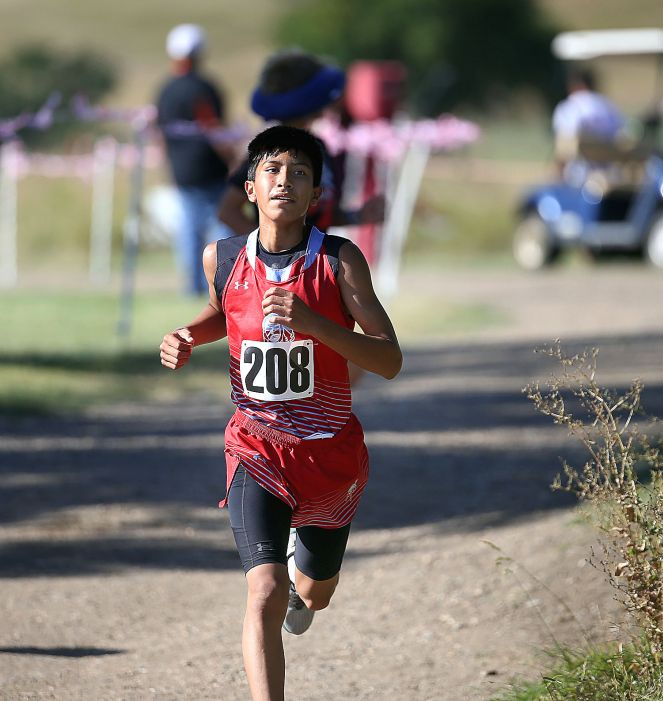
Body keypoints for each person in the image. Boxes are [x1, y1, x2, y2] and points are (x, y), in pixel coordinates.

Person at [159, 125, 402, 700]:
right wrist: (188, 335)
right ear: (250, 187)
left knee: (312, 594)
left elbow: (389, 358)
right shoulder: (222, 257)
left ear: (315, 193)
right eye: (272, 170)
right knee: (262, 590)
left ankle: (305, 581)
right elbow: (225, 311)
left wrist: (317, 324)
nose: (284, 182)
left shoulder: (340, 261)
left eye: (298, 173)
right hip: (256, 447)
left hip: (330, 453)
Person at [218, 50, 384, 237]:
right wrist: (265, 251)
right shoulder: (268, 150)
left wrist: (358, 216)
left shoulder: (319, 148)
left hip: (318, 262)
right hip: (280, 266)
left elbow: (321, 214)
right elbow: (228, 211)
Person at [155, 23, 235, 295]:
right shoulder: (204, 88)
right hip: (210, 169)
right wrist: (233, 158)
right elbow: (212, 127)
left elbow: (159, 133)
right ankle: (223, 284)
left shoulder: (165, 90)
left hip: (181, 170)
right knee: (223, 226)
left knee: (189, 229)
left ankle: (192, 287)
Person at [551, 67, 626, 182]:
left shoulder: (570, 106)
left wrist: (558, 176)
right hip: (611, 173)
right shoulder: (608, 105)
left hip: (580, 174)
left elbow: (565, 143)